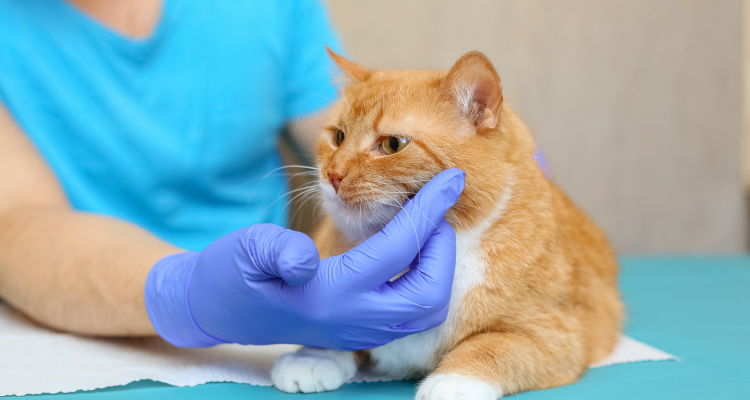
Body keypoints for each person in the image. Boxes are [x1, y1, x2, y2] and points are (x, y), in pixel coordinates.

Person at [0, 0, 463, 350]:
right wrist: (187, 291)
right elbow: (13, 220)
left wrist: (483, 164)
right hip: (71, 327)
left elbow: (348, 129)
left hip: (280, 329)